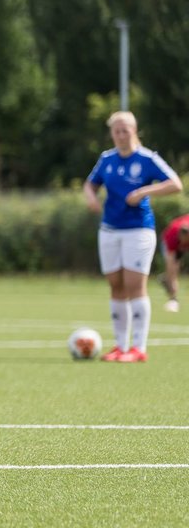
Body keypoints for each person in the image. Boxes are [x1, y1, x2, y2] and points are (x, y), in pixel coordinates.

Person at [84, 111, 183, 361]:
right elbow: (90, 184)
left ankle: (138, 348)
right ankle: (120, 346)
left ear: (134, 131)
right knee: (115, 285)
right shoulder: (107, 159)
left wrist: (143, 191)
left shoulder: (147, 158)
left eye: (125, 130)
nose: (120, 135)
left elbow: (175, 184)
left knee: (134, 285)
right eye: (116, 131)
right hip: (109, 230)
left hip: (138, 230)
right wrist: (91, 197)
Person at [158, 213, 189, 312]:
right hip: (168, 244)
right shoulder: (172, 237)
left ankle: (165, 279)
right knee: (173, 270)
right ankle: (173, 299)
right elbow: (171, 264)